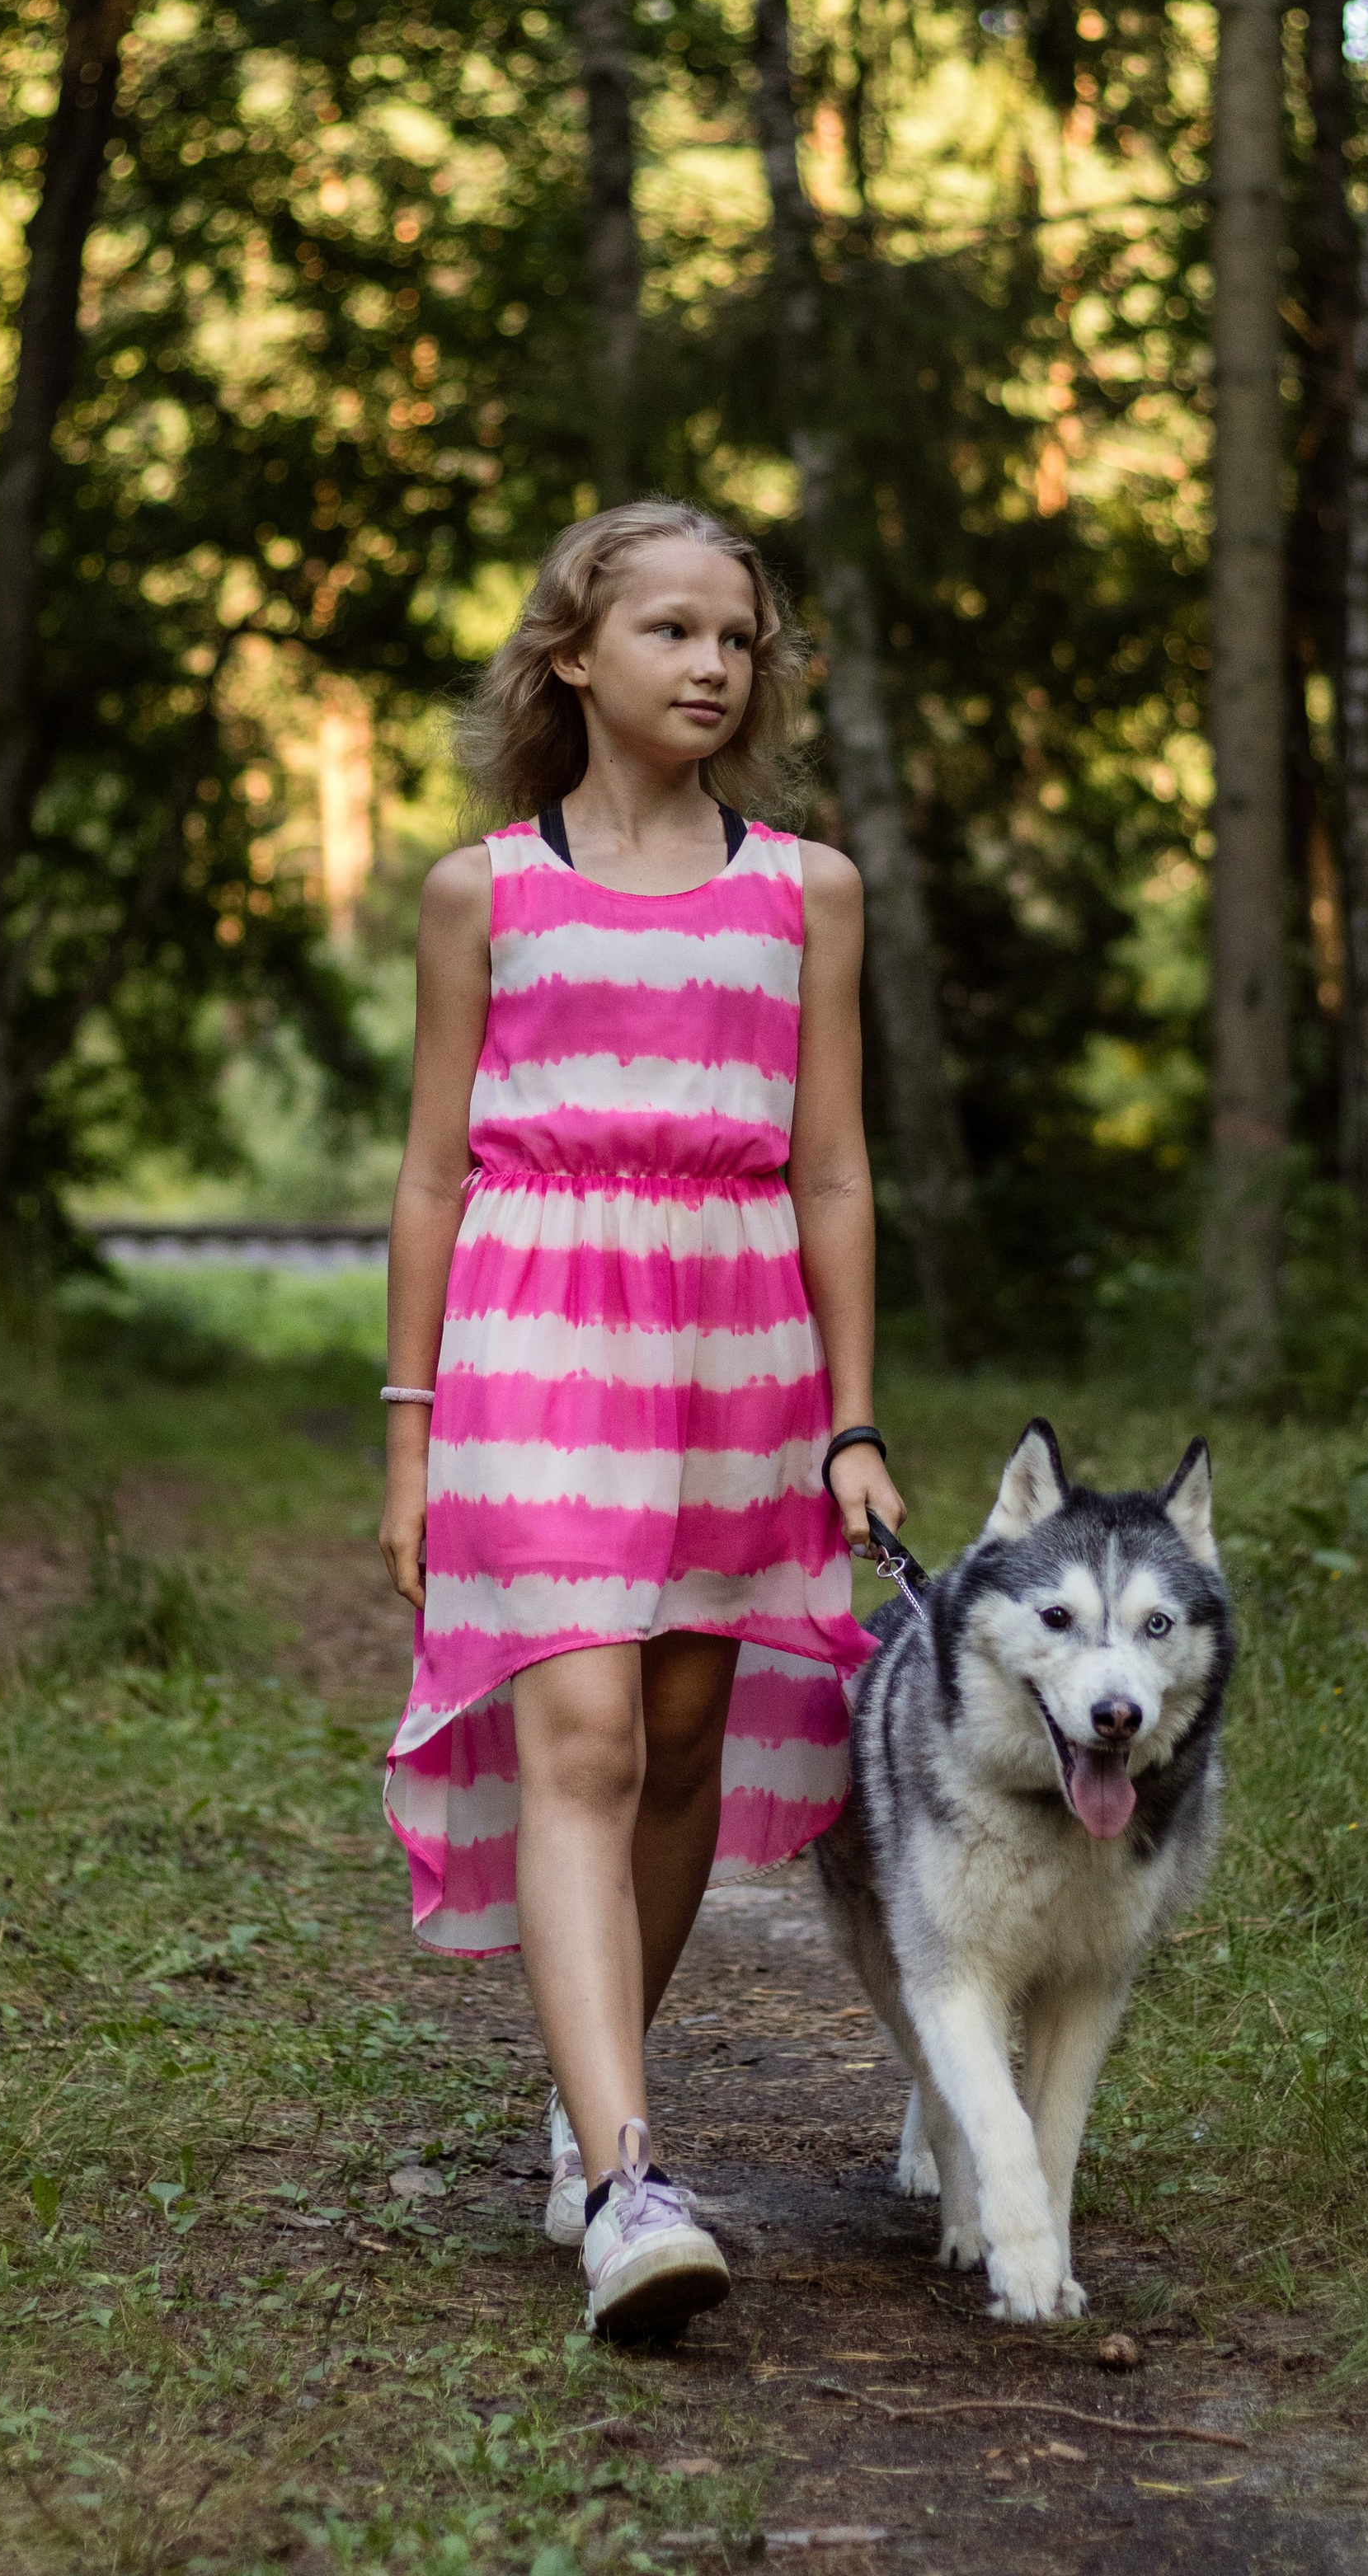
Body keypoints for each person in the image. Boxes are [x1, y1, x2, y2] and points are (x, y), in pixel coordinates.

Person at [378, 499, 906, 2341]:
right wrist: (407, 1432)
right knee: (585, 1734)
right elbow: (430, 1177)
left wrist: (852, 1420)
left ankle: (588, 2095)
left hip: (735, 1345)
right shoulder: (483, 891)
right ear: (572, 656)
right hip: (532, 1331)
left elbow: (831, 1173)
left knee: (680, 1738)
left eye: (737, 638)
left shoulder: (808, 891)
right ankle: (624, 2179)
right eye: (671, 630)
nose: (712, 665)